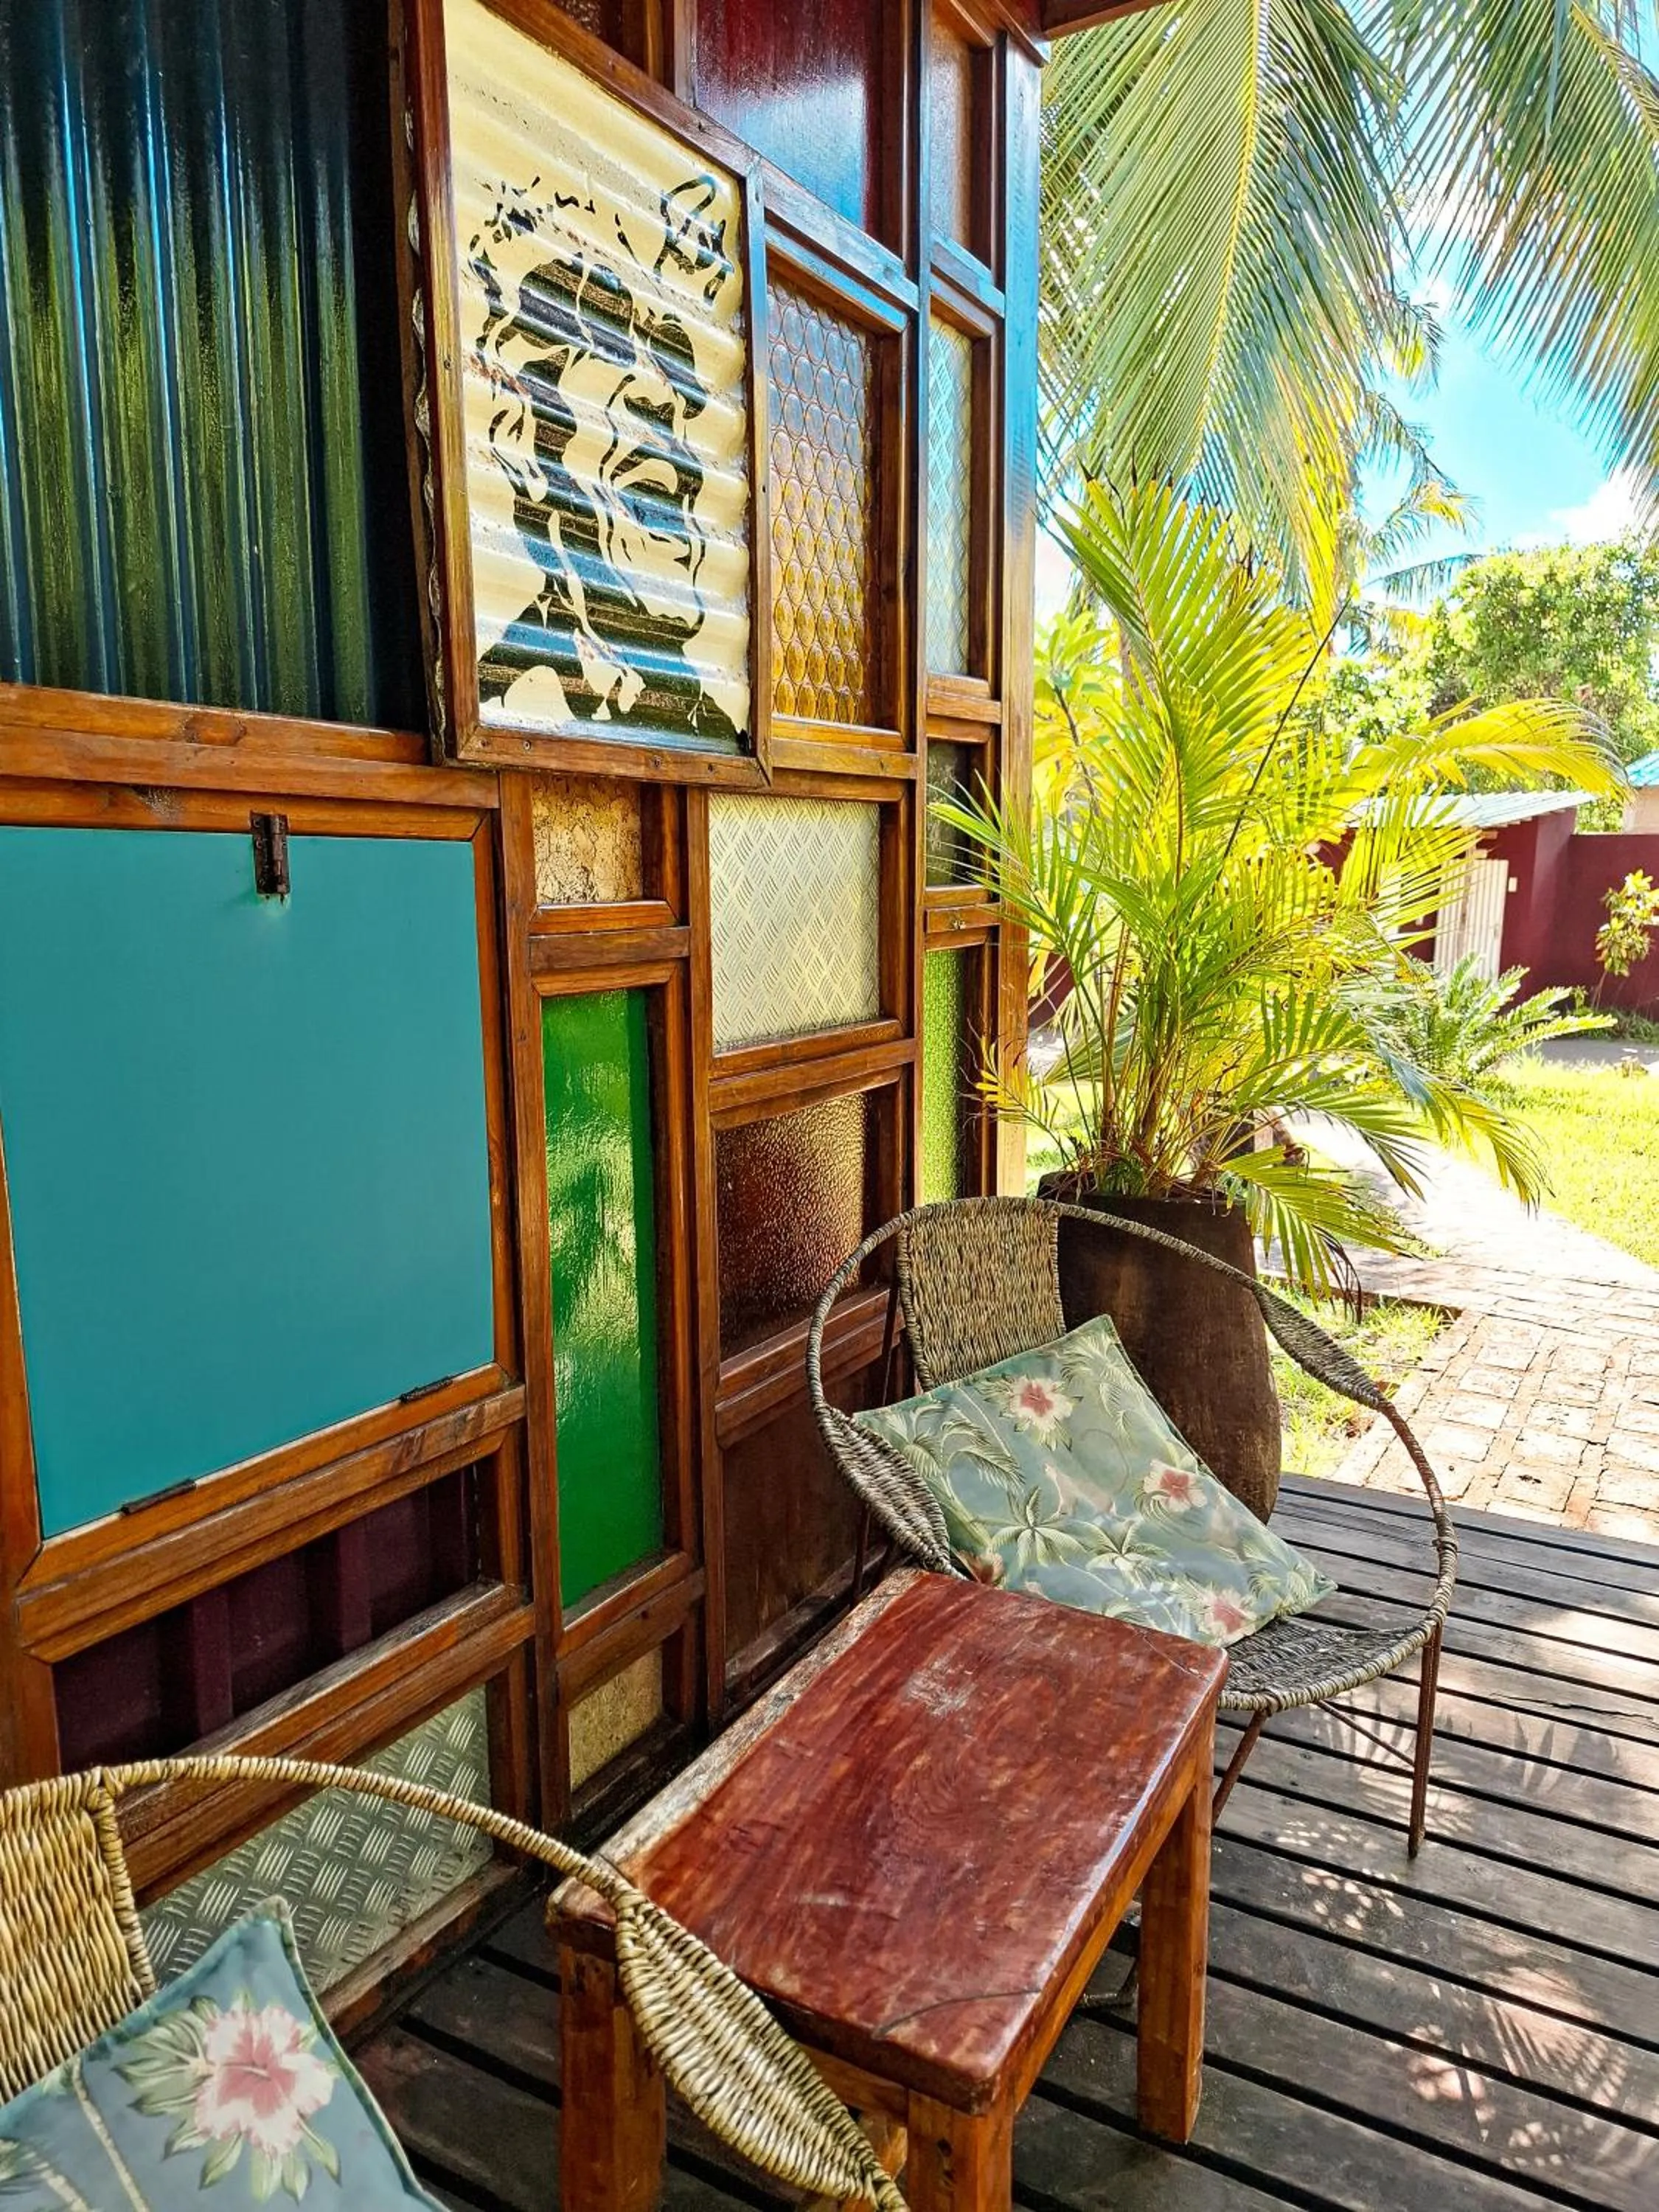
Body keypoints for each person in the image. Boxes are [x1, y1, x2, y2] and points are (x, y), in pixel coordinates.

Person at [470, 173, 746, 748]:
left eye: (672, 352)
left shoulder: (715, 725)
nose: (666, 394)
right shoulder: (506, 697)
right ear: (526, 453)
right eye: (653, 499)